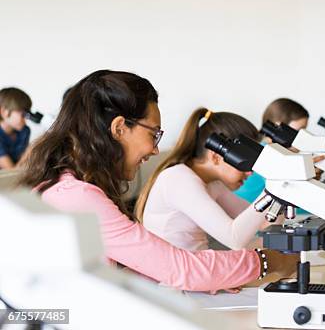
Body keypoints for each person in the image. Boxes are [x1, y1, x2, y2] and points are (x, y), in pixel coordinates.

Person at [18, 70, 297, 293]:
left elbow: (130, 269)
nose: (154, 150)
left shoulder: (67, 186)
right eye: (154, 135)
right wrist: (270, 262)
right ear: (119, 128)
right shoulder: (77, 196)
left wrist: (207, 277)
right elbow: (181, 266)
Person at [134, 108, 269, 251]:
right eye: (244, 163)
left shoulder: (213, 184)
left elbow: (264, 223)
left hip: (195, 266)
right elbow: (234, 239)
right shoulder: (179, 179)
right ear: (216, 156)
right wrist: (271, 192)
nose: (250, 172)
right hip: (171, 271)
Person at [235, 98, 310, 203]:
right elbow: (291, 197)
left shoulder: (270, 149)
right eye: (299, 130)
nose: (304, 137)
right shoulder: (266, 154)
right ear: (279, 127)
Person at [0, 87, 32, 169]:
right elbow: (11, 173)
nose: (25, 120)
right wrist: (29, 152)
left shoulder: (24, 131)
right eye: (23, 115)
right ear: (4, 112)